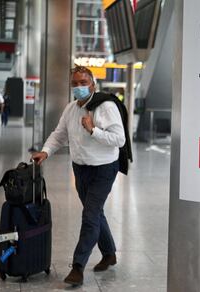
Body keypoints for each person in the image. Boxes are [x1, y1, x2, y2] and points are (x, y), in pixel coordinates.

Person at [31, 66, 126, 286]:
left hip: (104, 169)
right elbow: (59, 134)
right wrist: (46, 151)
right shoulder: (71, 108)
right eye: (75, 83)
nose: (79, 87)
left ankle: (78, 267)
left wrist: (94, 130)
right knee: (95, 213)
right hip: (80, 169)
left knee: (90, 216)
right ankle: (109, 253)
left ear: (93, 84)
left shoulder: (106, 107)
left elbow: (119, 140)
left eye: (83, 82)